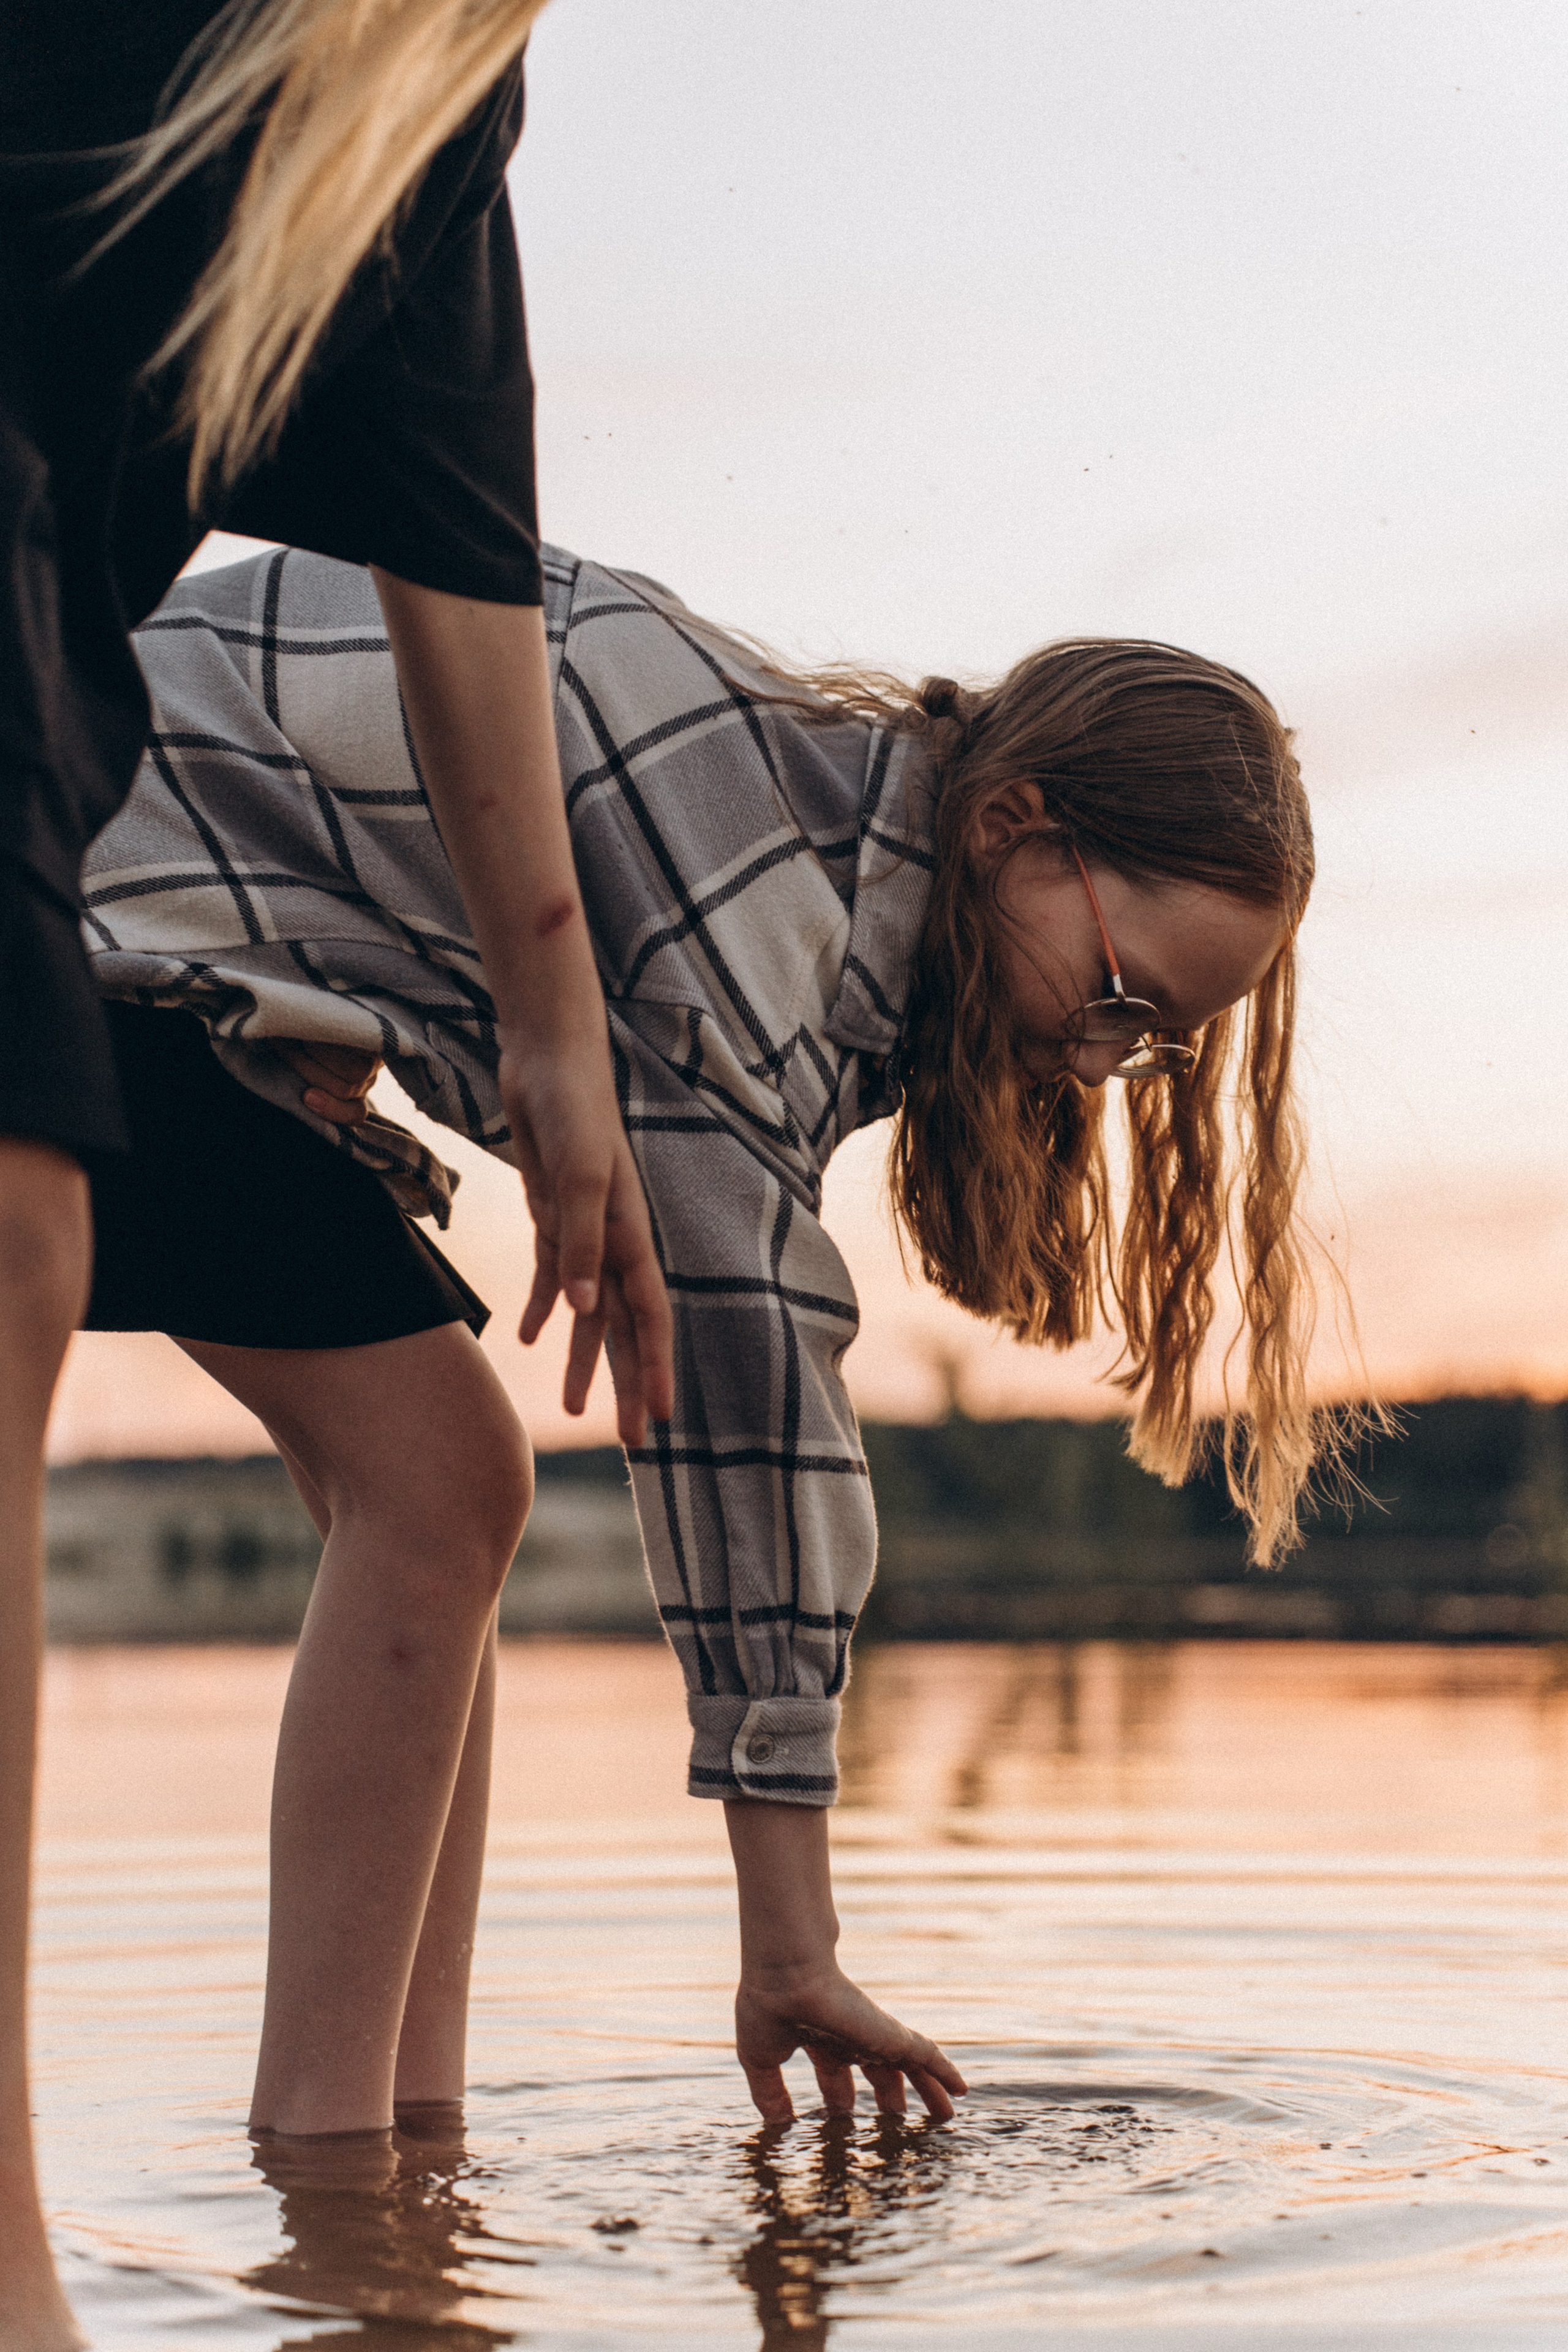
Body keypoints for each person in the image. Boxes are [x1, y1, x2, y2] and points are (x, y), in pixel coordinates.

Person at [83, 537, 1334, 2141]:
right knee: (439, 1481)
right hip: (77, 892)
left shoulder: (826, 867)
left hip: (175, 922)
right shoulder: (748, 900)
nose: (1106, 1060)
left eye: (1155, 1045)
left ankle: (411, 2145)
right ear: (1015, 828)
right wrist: (791, 1943)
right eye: (1117, 994)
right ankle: (331, 2174)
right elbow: (739, 1387)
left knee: (445, 1485)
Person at [1, 6, 671, 2342]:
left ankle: (379, 2179)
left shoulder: (427, 106)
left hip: (99, 824)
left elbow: (454, 558)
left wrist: (553, 1033)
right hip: (104, 842)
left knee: (434, 1449)